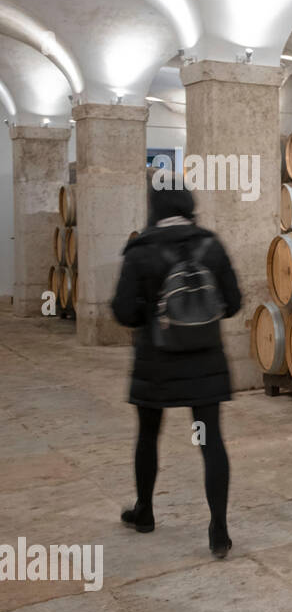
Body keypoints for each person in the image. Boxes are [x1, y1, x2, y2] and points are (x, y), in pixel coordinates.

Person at [111, 171, 242, 557]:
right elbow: (233, 304)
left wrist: (150, 316)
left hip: (157, 364)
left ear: (154, 205)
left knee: (149, 435)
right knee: (209, 440)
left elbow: (123, 312)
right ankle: (218, 529)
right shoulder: (211, 246)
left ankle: (145, 511)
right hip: (205, 363)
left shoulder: (139, 250)